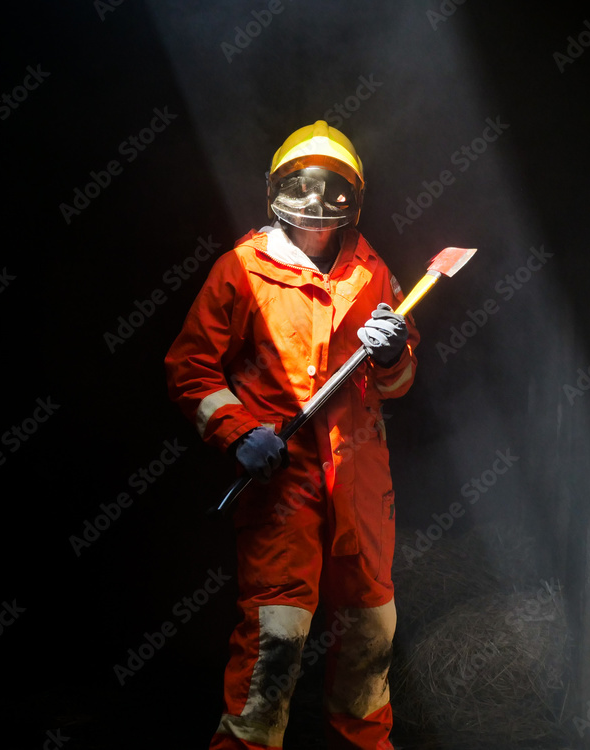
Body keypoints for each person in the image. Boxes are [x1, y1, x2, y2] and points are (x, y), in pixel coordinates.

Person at [165, 120, 419, 749]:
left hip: (360, 489)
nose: (318, 205)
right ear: (280, 189)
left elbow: (400, 382)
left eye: (333, 190)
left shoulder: (371, 271)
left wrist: (392, 357)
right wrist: (238, 431)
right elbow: (190, 367)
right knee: (273, 646)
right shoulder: (242, 270)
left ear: (350, 196)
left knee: (369, 641)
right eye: (303, 186)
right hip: (282, 492)